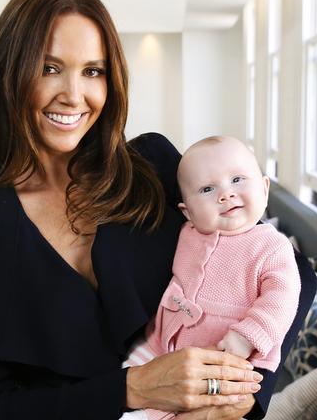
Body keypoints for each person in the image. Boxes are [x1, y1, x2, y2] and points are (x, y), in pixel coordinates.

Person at [0, 0, 316, 420]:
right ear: (8, 73)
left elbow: (290, 270)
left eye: (93, 71)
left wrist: (245, 397)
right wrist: (136, 388)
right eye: (49, 68)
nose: (74, 95)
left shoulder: (151, 166)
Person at [122, 135, 301, 420]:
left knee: (209, 406)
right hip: (163, 344)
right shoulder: (187, 234)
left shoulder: (271, 246)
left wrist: (247, 337)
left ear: (264, 190)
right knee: (129, 376)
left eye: (238, 179)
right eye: (207, 188)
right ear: (187, 212)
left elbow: (283, 296)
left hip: (231, 362)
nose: (225, 194)